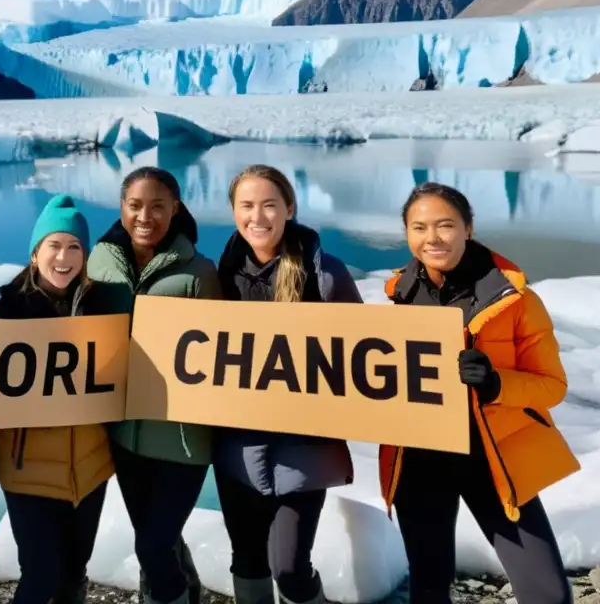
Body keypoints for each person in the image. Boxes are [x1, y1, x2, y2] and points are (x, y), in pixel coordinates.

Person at [379, 182, 580, 604]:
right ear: (407, 234)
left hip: (491, 456)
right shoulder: (399, 295)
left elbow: (552, 386)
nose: (432, 238)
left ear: (468, 228)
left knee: (546, 593)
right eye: (419, 227)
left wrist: (496, 384)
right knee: (429, 587)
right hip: (419, 458)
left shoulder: (514, 300)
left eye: (445, 225)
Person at [212, 165, 361, 604]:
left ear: (289, 209)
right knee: (247, 559)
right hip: (238, 444)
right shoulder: (221, 277)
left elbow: (360, 358)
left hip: (303, 445)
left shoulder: (325, 274)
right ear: (234, 212)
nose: (257, 216)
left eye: (269, 205)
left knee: (290, 568)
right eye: (246, 206)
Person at [86, 166, 221, 604]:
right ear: (121, 207)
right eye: (136, 205)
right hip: (125, 433)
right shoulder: (99, 262)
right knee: (156, 539)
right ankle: (186, 590)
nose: (146, 216)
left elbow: (224, 351)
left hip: (182, 439)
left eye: (158, 206)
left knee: (152, 543)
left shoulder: (200, 272)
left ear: (176, 209)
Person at [0, 193, 128, 604]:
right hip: (27, 469)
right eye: (54, 245)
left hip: (88, 469)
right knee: (40, 577)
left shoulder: (103, 309)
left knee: (73, 575)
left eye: (74, 247)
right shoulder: (6, 313)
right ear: (35, 253)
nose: (63, 257)